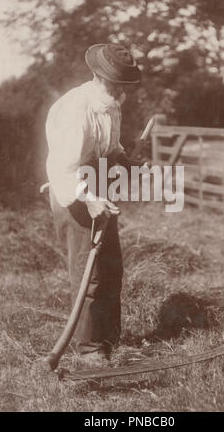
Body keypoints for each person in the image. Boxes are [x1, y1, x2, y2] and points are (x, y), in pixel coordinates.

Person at [45, 43, 143, 367]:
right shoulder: (77, 110)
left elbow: (110, 146)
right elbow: (62, 171)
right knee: (90, 272)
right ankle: (89, 350)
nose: (119, 90)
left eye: (123, 84)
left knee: (112, 267)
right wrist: (89, 200)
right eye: (114, 83)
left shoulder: (112, 103)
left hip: (100, 188)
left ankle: (109, 340)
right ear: (96, 75)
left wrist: (125, 160)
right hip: (73, 193)